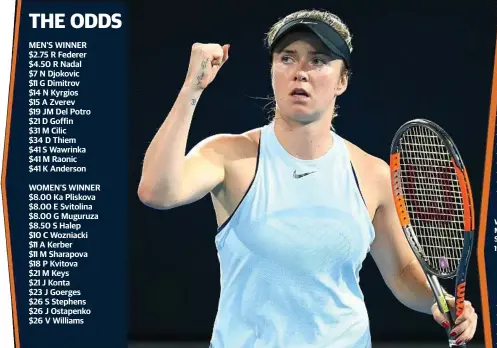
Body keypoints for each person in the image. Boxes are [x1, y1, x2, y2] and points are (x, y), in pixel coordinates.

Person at [138, 9, 478, 348]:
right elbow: (156, 190)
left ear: (342, 80)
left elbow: (403, 273)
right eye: (287, 58)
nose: (300, 72)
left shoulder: (372, 174)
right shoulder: (230, 156)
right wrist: (191, 89)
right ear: (272, 71)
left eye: (318, 61)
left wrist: (439, 301)